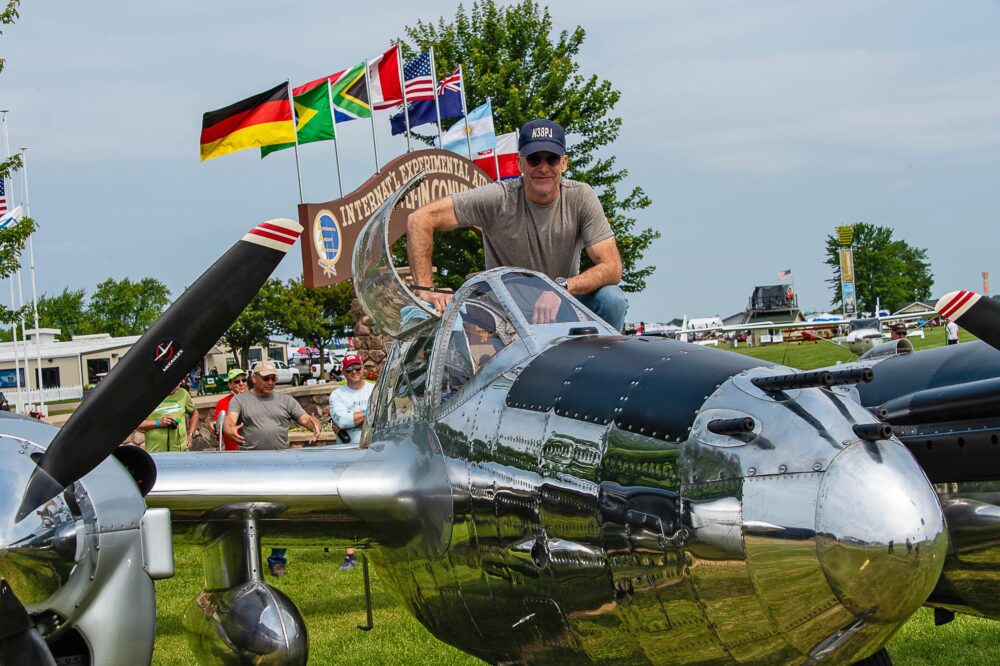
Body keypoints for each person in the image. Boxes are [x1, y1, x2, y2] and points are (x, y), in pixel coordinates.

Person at [407, 119, 628, 331]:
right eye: (534, 159)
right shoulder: (498, 197)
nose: (543, 168)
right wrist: (427, 290)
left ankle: (597, 363)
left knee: (612, 299)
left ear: (564, 163)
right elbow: (420, 219)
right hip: (505, 319)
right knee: (423, 311)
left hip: (561, 309)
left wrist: (560, 288)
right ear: (520, 162)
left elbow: (612, 268)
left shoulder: (581, 197)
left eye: (551, 159)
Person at [223, 360, 321, 577]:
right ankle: (248, 561)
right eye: (266, 378)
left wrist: (313, 424)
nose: (270, 382)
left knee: (279, 513)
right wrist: (230, 430)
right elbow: (229, 421)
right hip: (251, 465)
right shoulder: (240, 400)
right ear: (254, 378)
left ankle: (277, 560)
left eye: (273, 378)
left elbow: (304, 417)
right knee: (249, 514)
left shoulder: (285, 399)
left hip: (281, 465)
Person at [327, 352, 374, 572]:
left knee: (372, 499)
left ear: (363, 368)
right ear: (344, 372)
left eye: (357, 368)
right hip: (347, 451)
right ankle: (350, 553)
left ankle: (374, 544)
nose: (354, 373)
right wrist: (370, 412)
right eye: (349, 369)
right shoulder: (337, 394)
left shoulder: (374, 388)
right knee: (346, 501)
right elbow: (341, 420)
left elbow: (349, 419)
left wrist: (353, 417)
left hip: (373, 450)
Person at [138, 382, 199, 452]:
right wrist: (158, 423)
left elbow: (195, 414)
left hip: (181, 452)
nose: (181, 382)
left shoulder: (183, 393)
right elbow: (137, 425)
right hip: (156, 454)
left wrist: (190, 435)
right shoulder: (148, 395)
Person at [210, 368, 249, 451]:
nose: (241, 383)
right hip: (233, 452)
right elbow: (218, 430)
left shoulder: (255, 399)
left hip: (255, 451)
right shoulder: (222, 403)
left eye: (244, 380)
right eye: (237, 381)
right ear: (230, 385)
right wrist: (215, 426)